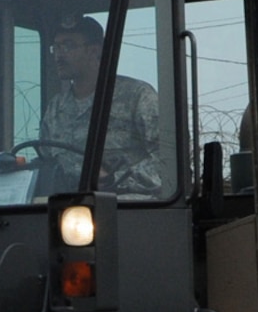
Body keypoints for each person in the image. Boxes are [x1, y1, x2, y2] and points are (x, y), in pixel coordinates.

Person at [39, 15, 165, 196]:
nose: (59, 55)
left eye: (68, 46)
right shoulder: (55, 108)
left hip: (128, 210)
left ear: (94, 51)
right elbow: (46, 161)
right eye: (56, 47)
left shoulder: (137, 96)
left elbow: (169, 160)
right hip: (70, 212)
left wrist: (115, 180)